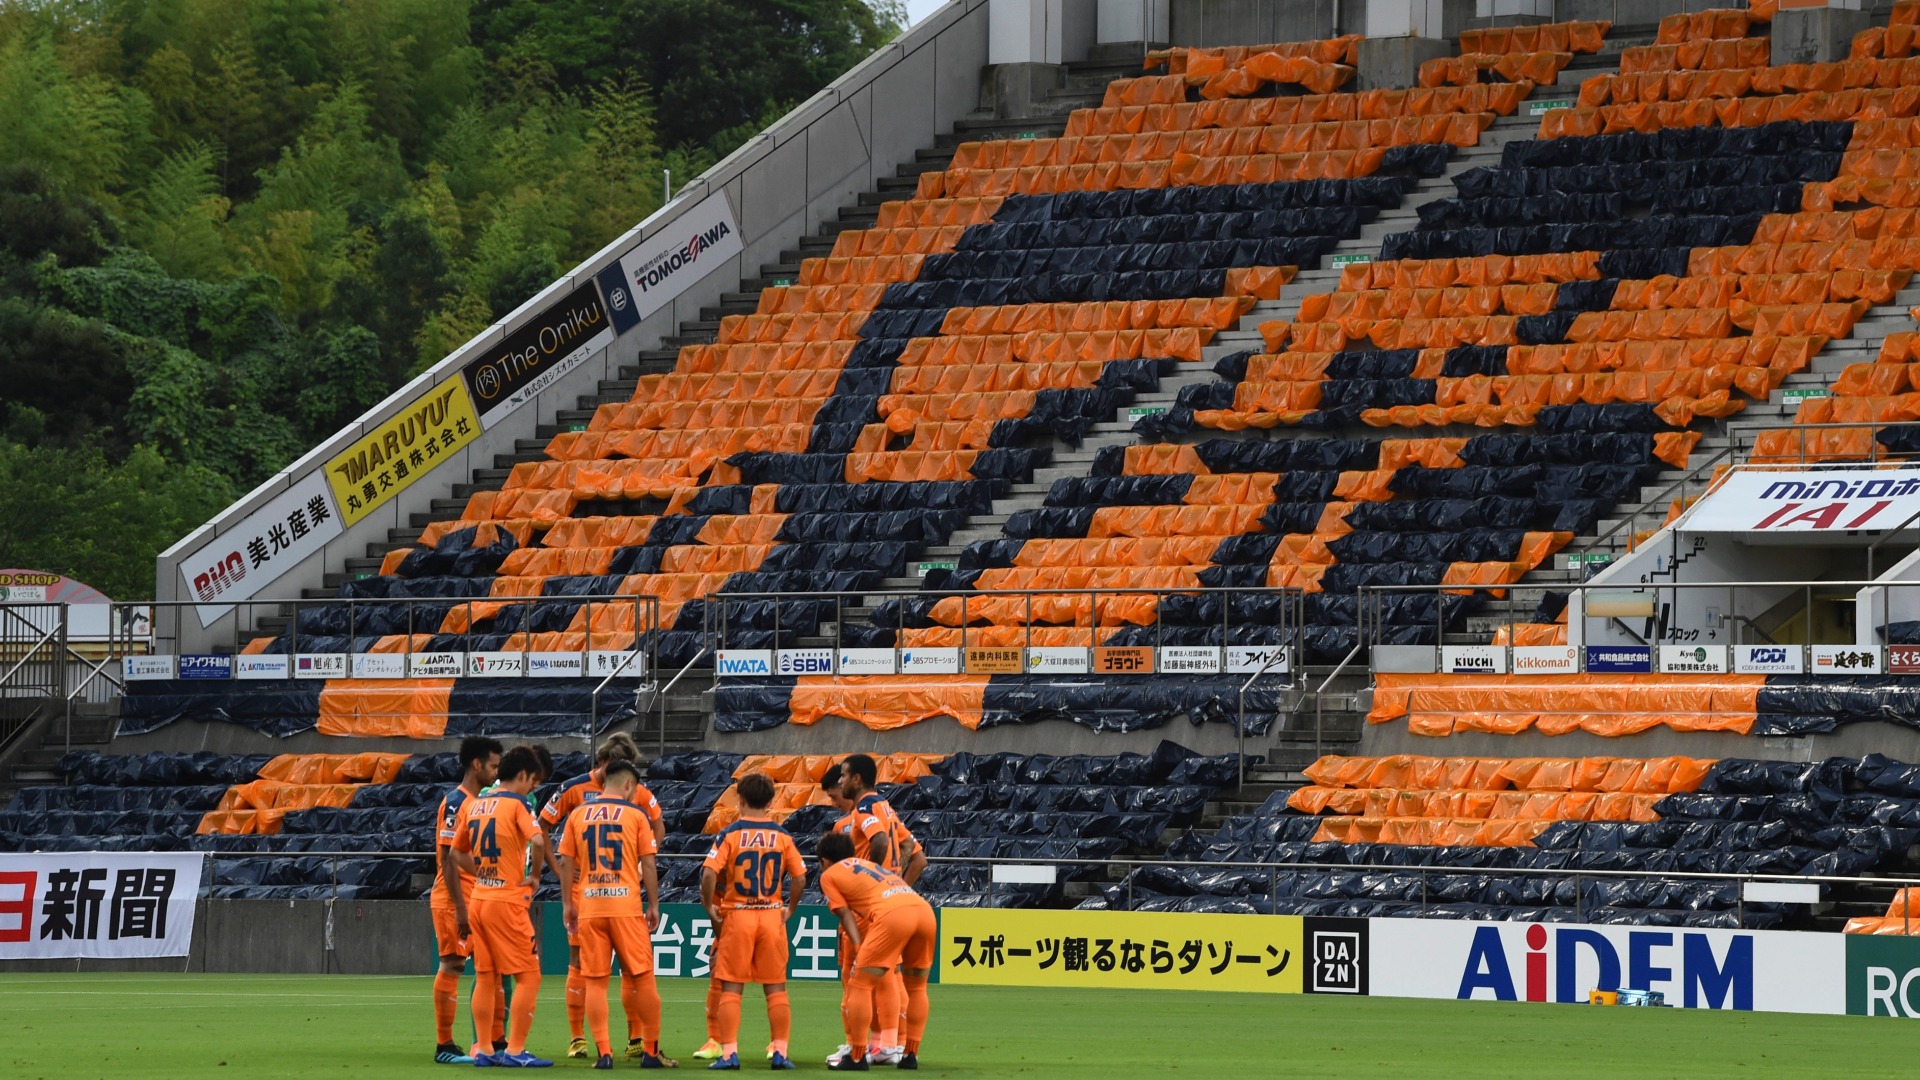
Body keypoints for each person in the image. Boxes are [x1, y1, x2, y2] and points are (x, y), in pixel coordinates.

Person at [542, 733, 665, 1061]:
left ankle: (614, 1045)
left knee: (593, 974)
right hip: (621, 900)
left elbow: (564, 853)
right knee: (634, 971)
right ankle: (590, 1038)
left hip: (589, 898)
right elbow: (541, 827)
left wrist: (565, 888)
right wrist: (645, 884)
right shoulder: (577, 790)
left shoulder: (582, 812)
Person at [451, 746, 556, 1068]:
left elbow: (456, 853)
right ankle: (515, 1051)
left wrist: (482, 873)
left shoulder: (476, 803)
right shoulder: (519, 804)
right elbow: (538, 841)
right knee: (529, 976)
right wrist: (535, 876)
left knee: (486, 976)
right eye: (532, 781)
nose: (531, 788)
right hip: (507, 901)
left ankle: (483, 1048)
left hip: (480, 898)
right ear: (523, 775)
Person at [699, 773, 806, 1071]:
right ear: (771, 801)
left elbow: (708, 874)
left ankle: (730, 1053)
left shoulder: (730, 834)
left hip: (739, 915)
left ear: (741, 800)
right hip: (772, 915)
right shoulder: (783, 837)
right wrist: (790, 909)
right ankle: (781, 1053)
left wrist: (710, 907)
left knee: (731, 988)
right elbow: (799, 877)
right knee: (776, 989)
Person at [831, 755, 925, 1066]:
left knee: (868, 976)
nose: (840, 781)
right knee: (888, 975)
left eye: (844, 776)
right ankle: (887, 1044)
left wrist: (872, 874)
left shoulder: (867, 807)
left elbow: (882, 839)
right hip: (894, 901)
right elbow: (912, 848)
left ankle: (877, 1045)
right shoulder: (886, 807)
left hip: (871, 905)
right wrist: (896, 880)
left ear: (857, 779)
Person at [816, 831, 935, 1072]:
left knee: (860, 983)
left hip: (893, 914)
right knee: (917, 987)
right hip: (923, 910)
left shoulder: (830, 874)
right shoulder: (869, 865)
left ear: (824, 861)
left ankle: (858, 1057)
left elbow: (843, 913)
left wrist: (859, 945)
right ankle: (910, 1054)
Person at [430, 736, 501, 1065]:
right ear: (477, 764)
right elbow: (447, 858)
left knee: (493, 967)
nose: (496, 772)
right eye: (493, 766)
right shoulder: (457, 802)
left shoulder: (481, 802)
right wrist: (460, 907)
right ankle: (444, 1045)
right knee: (453, 964)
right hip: (454, 897)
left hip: (480, 896)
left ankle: (493, 1042)